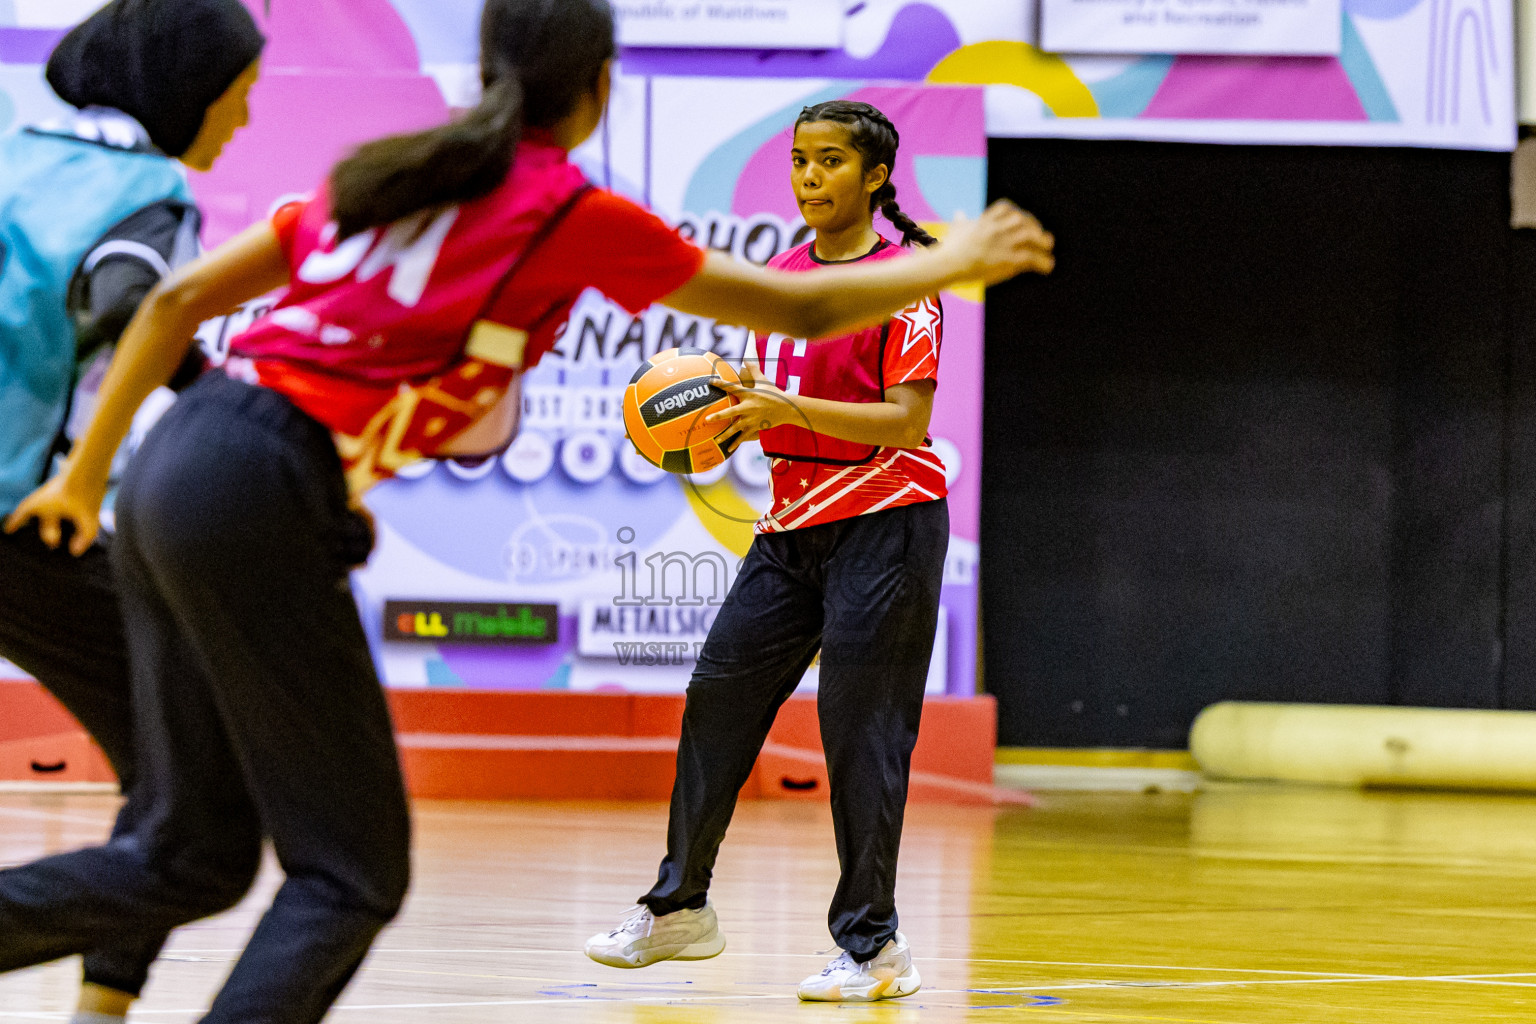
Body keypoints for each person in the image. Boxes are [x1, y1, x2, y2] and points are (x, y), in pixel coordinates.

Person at [1, 1, 1052, 1020]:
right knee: (348, 873)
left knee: (194, 844)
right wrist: (955, 259)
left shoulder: (384, 175)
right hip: (258, 486)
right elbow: (806, 307)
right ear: (598, 89)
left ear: (487, 71)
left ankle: (102, 994)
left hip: (168, 475)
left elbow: (181, 303)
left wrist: (87, 476)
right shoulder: (564, 210)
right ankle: (693, 902)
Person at [583, 98, 973, 1002]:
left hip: (889, 523)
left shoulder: (905, 282)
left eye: (831, 161)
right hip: (792, 525)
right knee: (717, 696)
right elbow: (773, 396)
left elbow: (906, 422)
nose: (809, 177)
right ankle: (680, 907)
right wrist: (722, 413)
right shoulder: (783, 277)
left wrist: (788, 411)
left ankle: (875, 947)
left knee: (860, 734)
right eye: (801, 161)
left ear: (875, 177)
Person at [0, 1, 263, 1020]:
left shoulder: (19, 152)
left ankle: (104, 1005)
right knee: (192, 788)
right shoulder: (146, 194)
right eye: (238, 100)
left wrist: (210, 388)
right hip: (29, 520)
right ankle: (101, 1006)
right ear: (187, 92)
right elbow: (133, 299)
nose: (240, 123)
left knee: (169, 772)